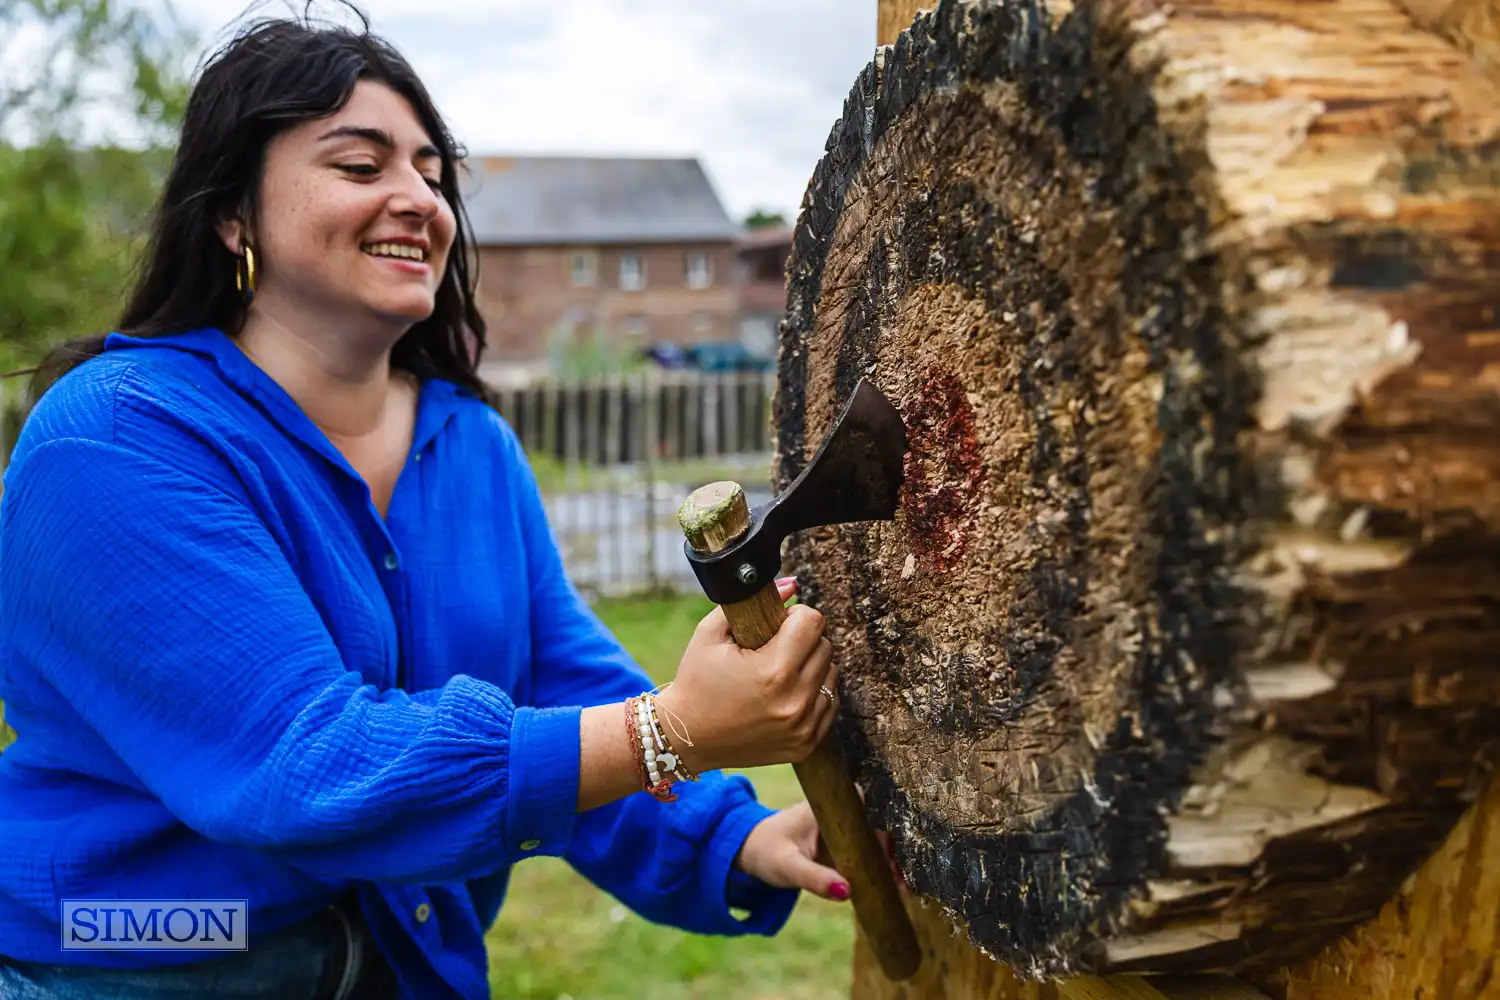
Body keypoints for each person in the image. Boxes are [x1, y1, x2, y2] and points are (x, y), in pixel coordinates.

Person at [0, 9, 850, 999]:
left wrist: (735, 836)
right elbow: (306, 764)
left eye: (433, 176)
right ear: (233, 214)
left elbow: (560, 680)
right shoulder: (114, 439)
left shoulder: (471, 446)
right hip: (146, 952)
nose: (419, 200)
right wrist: (669, 730)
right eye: (361, 167)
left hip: (409, 967)